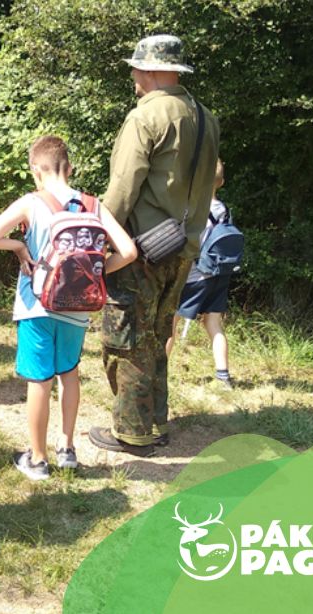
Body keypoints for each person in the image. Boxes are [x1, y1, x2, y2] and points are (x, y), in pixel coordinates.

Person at [90, 34, 220, 457]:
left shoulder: (146, 116)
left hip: (142, 247)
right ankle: (155, 419)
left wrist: (95, 236)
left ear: (151, 70)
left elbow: (124, 187)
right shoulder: (205, 116)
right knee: (158, 333)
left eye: (136, 67)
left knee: (126, 338)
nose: (132, 74)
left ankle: (131, 430)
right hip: (183, 247)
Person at [0, 136, 137, 480]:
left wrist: (19, 246)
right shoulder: (94, 205)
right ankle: (67, 450)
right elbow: (128, 251)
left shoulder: (31, 202)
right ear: (70, 167)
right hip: (78, 308)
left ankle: (37, 458)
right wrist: (95, 274)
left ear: (36, 170)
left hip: (37, 305)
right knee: (69, 373)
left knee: (39, 380)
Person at [166, 160, 233, 388]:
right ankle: (223, 375)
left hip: (196, 273)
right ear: (221, 183)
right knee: (213, 323)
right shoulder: (223, 210)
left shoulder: (194, 210)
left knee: (171, 321)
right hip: (220, 273)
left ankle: (160, 371)